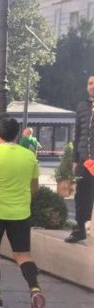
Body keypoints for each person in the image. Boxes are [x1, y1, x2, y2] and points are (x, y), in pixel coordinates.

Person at [0, 118, 45, 308]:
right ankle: (35, 289)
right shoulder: (29, 157)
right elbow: (34, 188)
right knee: (23, 255)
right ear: (17, 134)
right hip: (21, 214)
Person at [65, 74, 94, 244]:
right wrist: (75, 159)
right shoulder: (82, 106)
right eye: (90, 83)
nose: (92, 86)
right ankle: (80, 228)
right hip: (84, 161)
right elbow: (77, 134)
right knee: (82, 195)